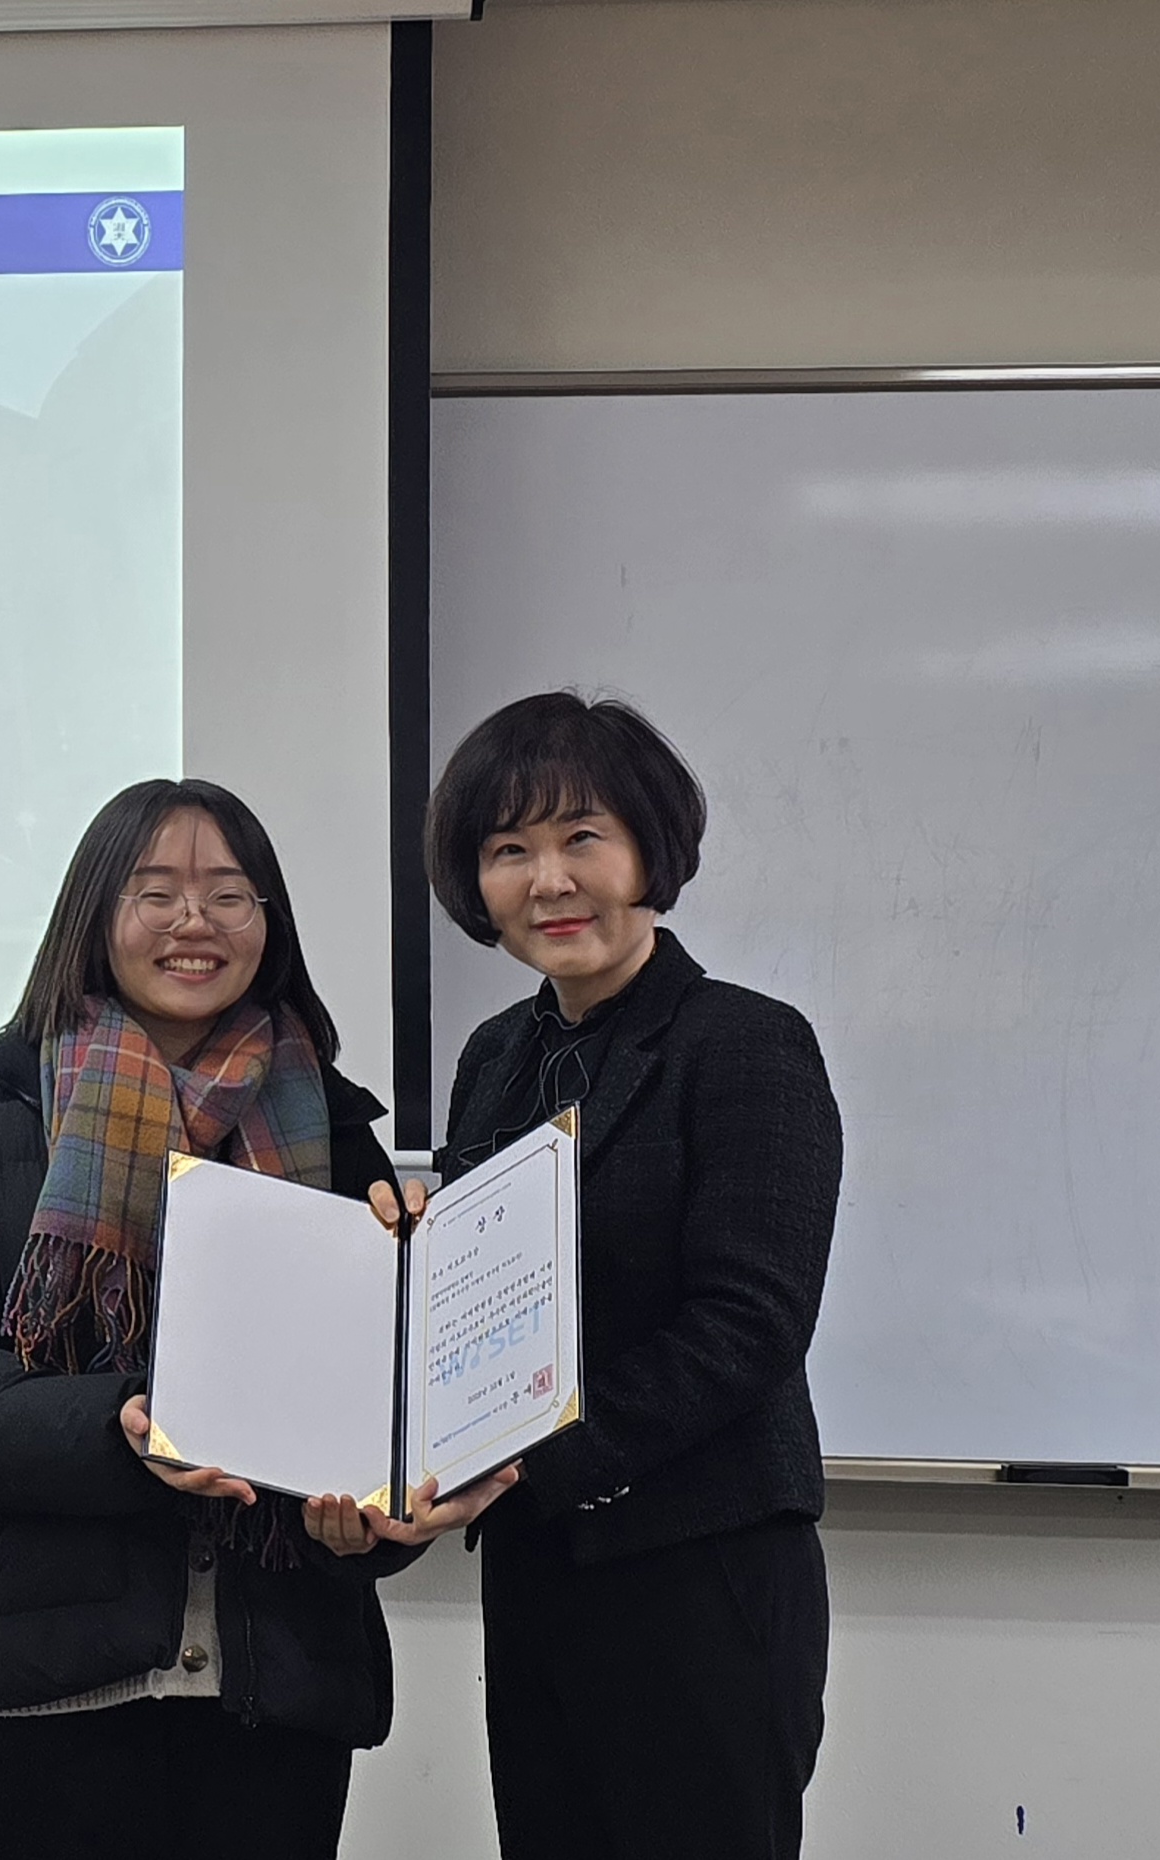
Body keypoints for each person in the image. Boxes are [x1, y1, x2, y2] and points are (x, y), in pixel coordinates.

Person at [0, 777, 503, 1860]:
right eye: (155, 893)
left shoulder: (339, 1139)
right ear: (94, 917)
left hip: (276, 1690)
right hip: (45, 1683)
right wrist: (115, 1428)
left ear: (268, 922)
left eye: (229, 895)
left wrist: (373, 1520)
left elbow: (374, 1404)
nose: (194, 921)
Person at [401, 692, 843, 1860]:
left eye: (582, 837)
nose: (548, 881)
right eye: (509, 850)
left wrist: (525, 1456)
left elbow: (750, 1326)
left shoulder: (744, 1043)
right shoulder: (496, 1059)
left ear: (649, 847)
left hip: (704, 1577)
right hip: (541, 1578)